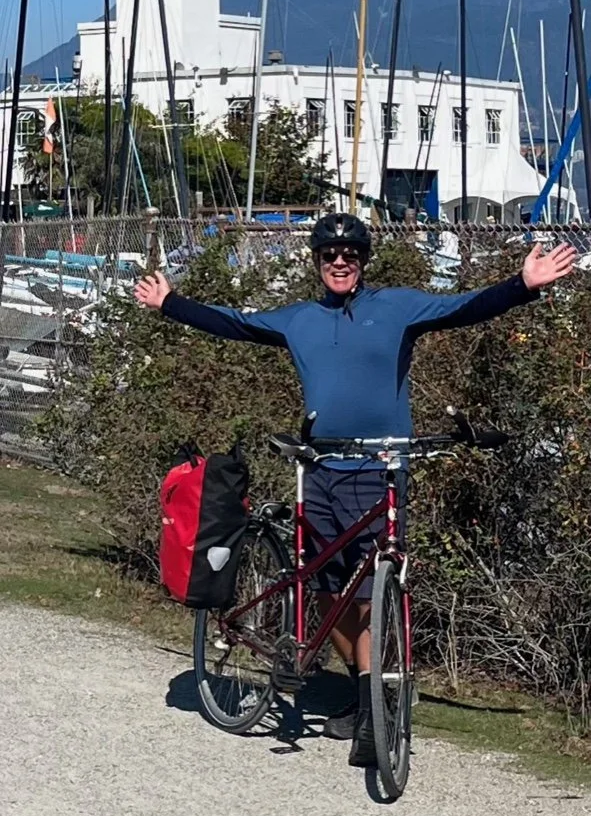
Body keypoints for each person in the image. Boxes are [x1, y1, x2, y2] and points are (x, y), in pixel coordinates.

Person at [134, 213, 575, 767]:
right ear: (317, 262)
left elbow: (464, 307)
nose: (339, 263)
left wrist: (523, 285)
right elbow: (236, 323)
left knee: (369, 591)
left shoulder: (397, 308)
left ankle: (374, 704)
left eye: (349, 255)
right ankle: (364, 688)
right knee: (328, 590)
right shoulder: (299, 319)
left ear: (363, 261)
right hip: (320, 469)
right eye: (329, 255)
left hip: (378, 469)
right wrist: (171, 304)